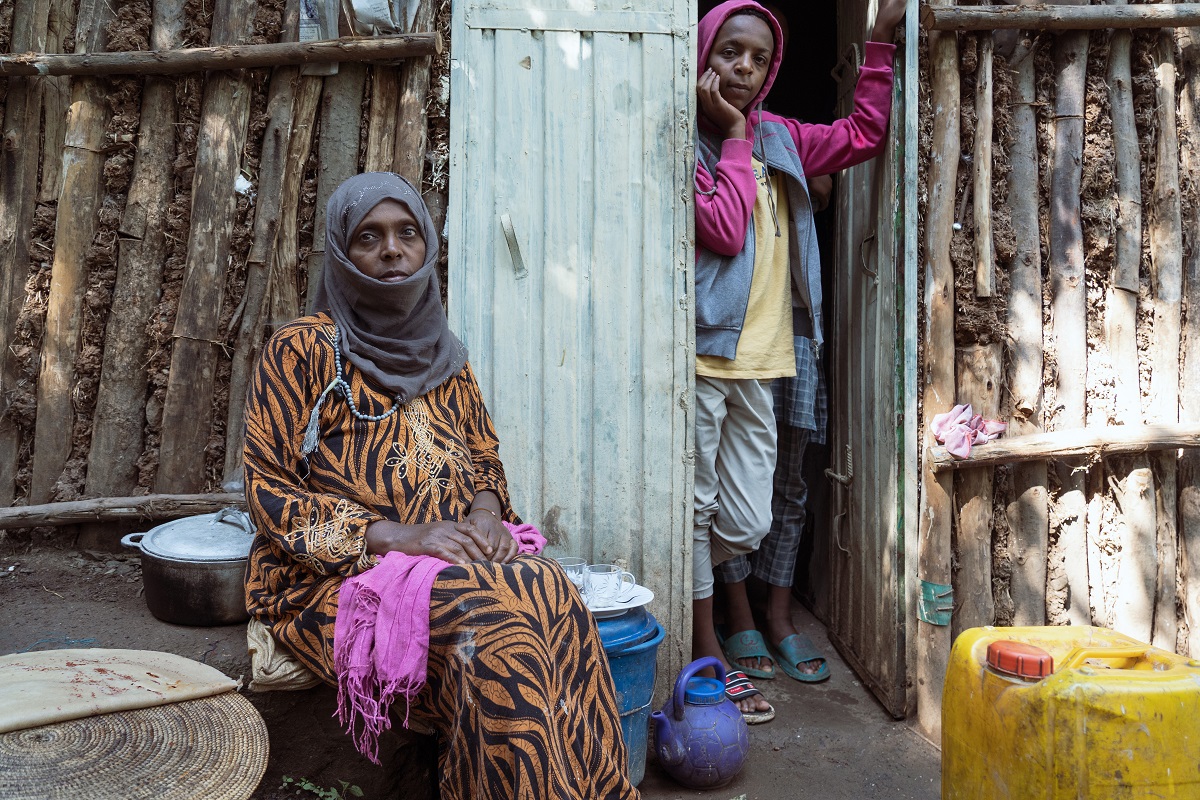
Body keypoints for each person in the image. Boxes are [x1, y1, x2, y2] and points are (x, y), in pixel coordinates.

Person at [243, 172, 639, 800]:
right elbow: (268, 495)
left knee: (555, 594)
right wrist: (401, 536)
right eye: (370, 238)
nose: (392, 250)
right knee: (496, 632)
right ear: (344, 254)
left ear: (427, 246)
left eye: (407, 234)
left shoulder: (444, 355)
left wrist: (486, 513)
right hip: (336, 580)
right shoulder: (304, 349)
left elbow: (484, 459)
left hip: (452, 560)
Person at [691, 0, 904, 722]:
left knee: (744, 515)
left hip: (768, 355)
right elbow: (722, 231)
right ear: (702, 54)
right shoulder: (687, 139)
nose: (743, 69)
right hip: (703, 353)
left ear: (772, 67)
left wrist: (876, 43)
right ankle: (705, 644)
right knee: (695, 507)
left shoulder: (781, 136)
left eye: (757, 57)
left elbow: (864, 133)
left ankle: (732, 608)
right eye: (729, 53)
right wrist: (727, 135)